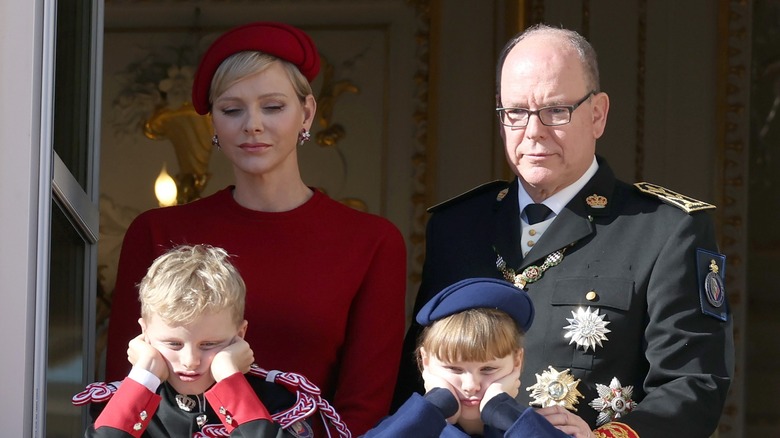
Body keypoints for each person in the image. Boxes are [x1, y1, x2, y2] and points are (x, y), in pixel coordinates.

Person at [393, 24, 733, 438]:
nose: (533, 132)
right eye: (515, 112)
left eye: (555, 111)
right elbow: (417, 371)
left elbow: (694, 384)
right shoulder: (457, 225)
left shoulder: (666, 230)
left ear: (597, 114)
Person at [104, 22, 407, 436]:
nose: (252, 124)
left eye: (273, 106)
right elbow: (122, 391)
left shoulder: (371, 241)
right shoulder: (158, 232)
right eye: (232, 110)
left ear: (307, 112)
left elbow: (364, 410)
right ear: (212, 122)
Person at [74, 244, 350, 437]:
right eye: (173, 344)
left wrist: (231, 380)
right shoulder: (129, 402)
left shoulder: (278, 402)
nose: (191, 360)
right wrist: (143, 375)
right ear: (144, 334)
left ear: (239, 336)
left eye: (209, 345)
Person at [366, 277, 569, 438]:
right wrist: (431, 409)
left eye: (488, 369)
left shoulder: (539, 430)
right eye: (455, 369)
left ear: (517, 361)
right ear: (425, 361)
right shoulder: (407, 428)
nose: (471, 385)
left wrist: (508, 415)